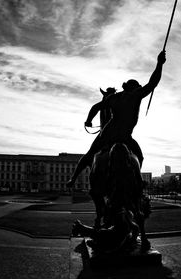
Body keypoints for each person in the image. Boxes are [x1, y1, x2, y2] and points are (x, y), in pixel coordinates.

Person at [66, 50, 166, 187]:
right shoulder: (135, 95)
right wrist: (159, 64)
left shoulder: (114, 97)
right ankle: (137, 179)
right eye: (138, 87)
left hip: (107, 134)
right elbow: (152, 83)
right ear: (134, 87)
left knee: (89, 155)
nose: (140, 88)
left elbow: (96, 107)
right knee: (139, 156)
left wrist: (89, 121)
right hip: (124, 137)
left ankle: (73, 178)